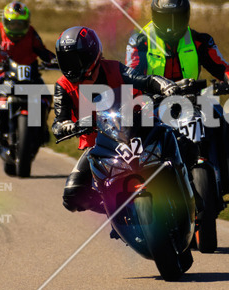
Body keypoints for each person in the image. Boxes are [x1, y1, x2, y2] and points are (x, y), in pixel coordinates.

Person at [125, 0, 229, 193]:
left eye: (177, 18)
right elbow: (131, 75)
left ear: (186, 17)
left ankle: (224, 175)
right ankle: (137, 180)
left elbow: (222, 66)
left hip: (192, 98)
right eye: (166, 19)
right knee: (130, 129)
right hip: (152, 100)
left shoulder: (200, 40)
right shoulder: (140, 41)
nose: (171, 25)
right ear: (155, 17)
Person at [52, 26, 174, 214]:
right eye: (66, 60)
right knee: (72, 194)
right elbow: (58, 123)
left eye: (77, 59)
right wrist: (66, 126)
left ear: (92, 54)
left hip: (135, 133)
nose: (71, 66)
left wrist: (165, 85)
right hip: (99, 147)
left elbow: (146, 80)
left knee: (178, 141)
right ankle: (116, 212)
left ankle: (189, 191)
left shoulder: (115, 68)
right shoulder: (62, 86)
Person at [0, 1, 55, 142]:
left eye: (20, 24)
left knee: (46, 96)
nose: (16, 27)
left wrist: (53, 60)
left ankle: (41, 127)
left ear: (27, 24)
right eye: (13, 23)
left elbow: (41, 50)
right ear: (6, 22)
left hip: (29, 72)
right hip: (6, 72)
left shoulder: (31, 33)